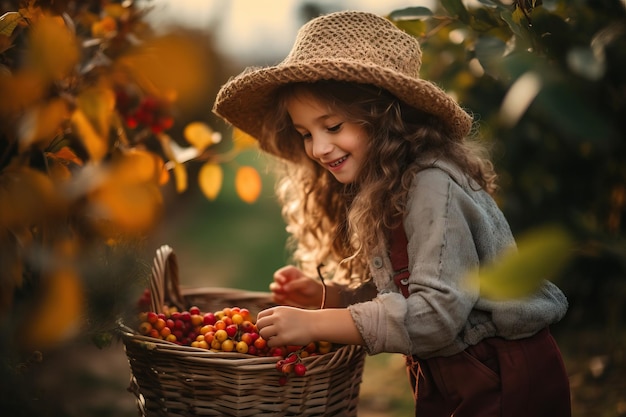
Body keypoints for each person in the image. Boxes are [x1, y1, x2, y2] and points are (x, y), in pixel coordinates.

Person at [213, 10, 571, 417]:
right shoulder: (388, 185)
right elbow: (407, 294)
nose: (318, 148)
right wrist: (328, 298)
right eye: (306, 134)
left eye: (332, 126)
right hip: (448, 370)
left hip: (502, 374)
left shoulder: (432, 186)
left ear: (384, 115)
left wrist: (316, 324)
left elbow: (435, 316)